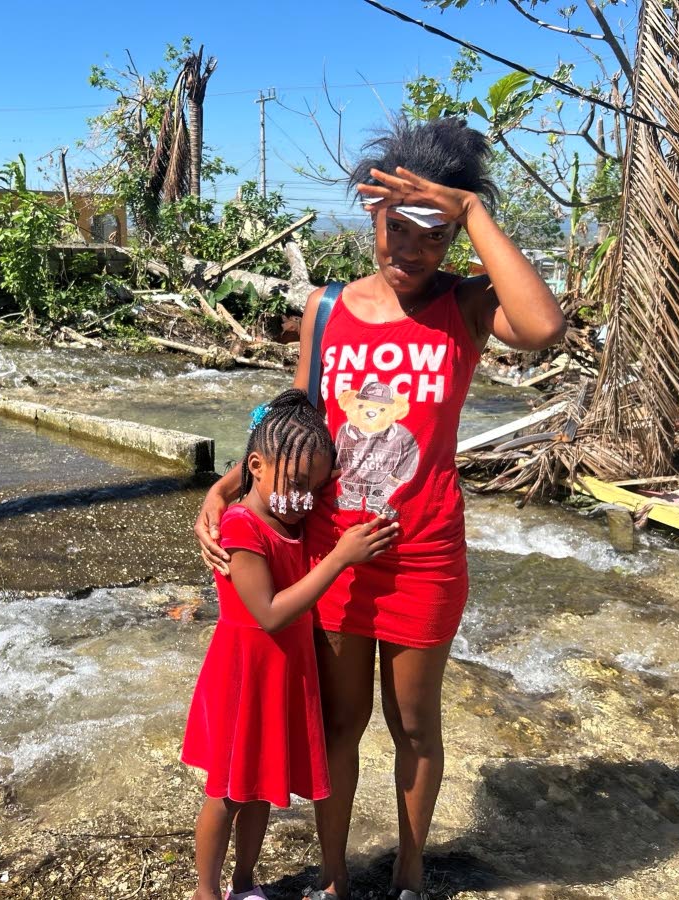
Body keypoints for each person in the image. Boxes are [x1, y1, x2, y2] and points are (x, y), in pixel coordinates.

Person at [194, 117, 566, 900]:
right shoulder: (327, 309)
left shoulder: (466, 305)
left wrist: (472, 210)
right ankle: (335, 878)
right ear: (373, 213)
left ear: (455, 234)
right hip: (332, 552)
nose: (410, 250)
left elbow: (542, 326)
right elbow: (295, 425)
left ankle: (407, 870)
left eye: (434, 234)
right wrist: (230, 487)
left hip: (424, 556)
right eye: (397, 228)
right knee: (339, 724)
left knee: (416, 726)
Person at [182, 389, 400, 900]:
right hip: (244, 677)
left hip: (279, 676)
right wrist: (340, 558)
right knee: (227, 794)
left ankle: (243, 883)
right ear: (255, 467)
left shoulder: (288, 523)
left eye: (316, 489)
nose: (307, 500)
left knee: (258, 791)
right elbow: (271, 613)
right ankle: (205, 892)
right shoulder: (240, 527)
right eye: (298, 484)